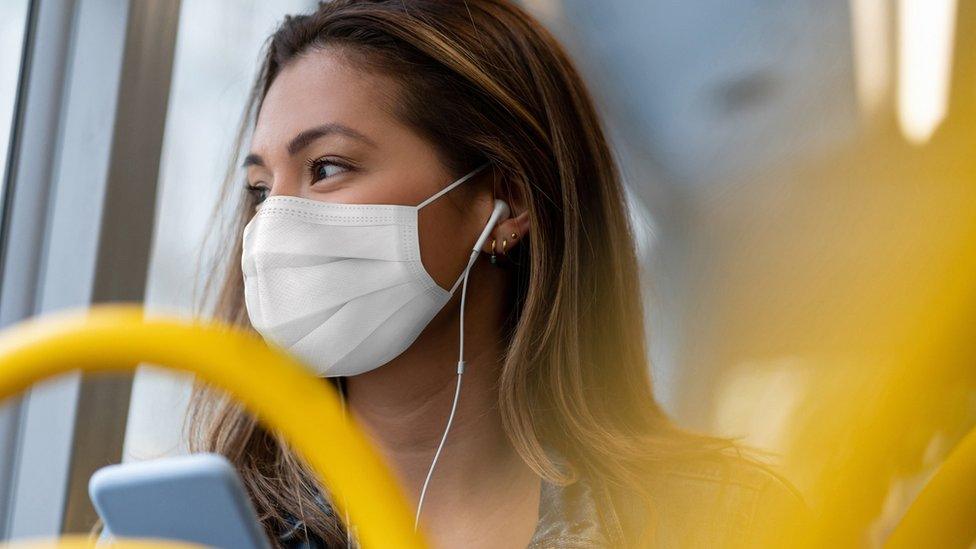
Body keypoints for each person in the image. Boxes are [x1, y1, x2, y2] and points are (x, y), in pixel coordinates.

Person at [186, 1, 808, 547]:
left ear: (505, 200)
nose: (272, 226)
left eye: (326, 168)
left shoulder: (716, 520)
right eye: (261, 191)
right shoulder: (194, 531)